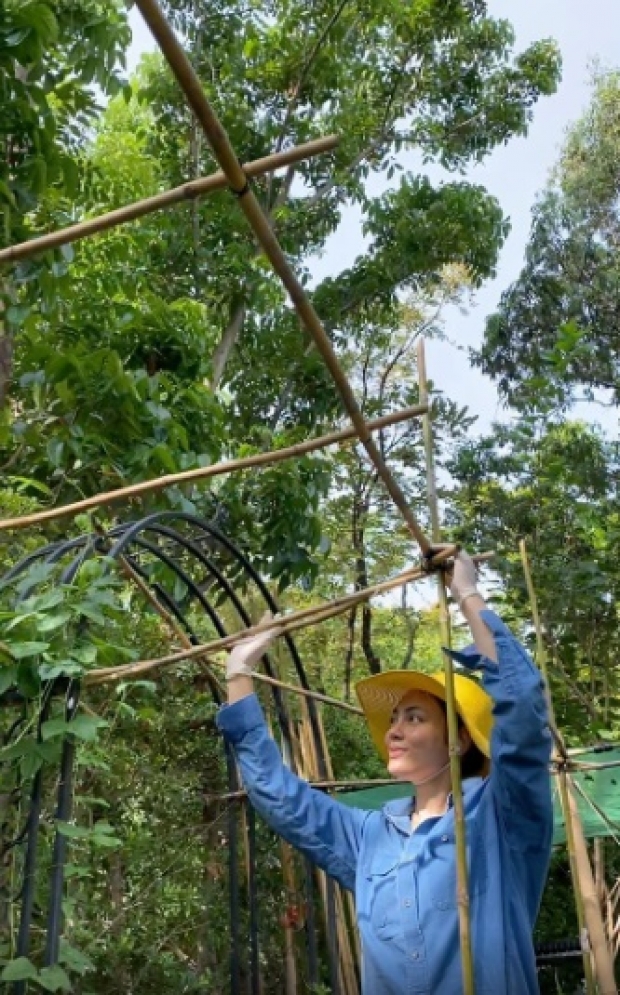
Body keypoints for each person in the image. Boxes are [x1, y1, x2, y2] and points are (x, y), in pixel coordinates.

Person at [216, 550, 553, 995]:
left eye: (414, 718)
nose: (394, 730)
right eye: (394, 718)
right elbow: (281, 798)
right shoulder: (369, 835)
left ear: (458, 740)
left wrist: (467, 594)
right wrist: (238, 674)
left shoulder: (502, 816)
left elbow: (524, 710)